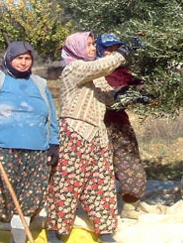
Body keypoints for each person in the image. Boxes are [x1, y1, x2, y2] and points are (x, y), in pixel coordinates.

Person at [0, 41, 59, 243]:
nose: (23, 62)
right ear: (9, 58)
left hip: (36, 155)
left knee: (27, 203)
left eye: (27, 58)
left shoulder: (40, 84)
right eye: (19, 58)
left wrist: (54, 144)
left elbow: (51, 116)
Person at [46, 31, 130, 243]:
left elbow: (108, 99)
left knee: (102, 184)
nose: (93, 48)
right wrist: (123, 53)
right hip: (75, 133)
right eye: (89, 45)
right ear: (77, 48)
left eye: (94, 44)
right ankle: (56, 231)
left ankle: (105, 232)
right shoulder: (73, 69)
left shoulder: (95, 75)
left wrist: (126, 95)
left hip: (98, 137)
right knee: (66, 184)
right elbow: (100, 66)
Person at [95, 33, 151, 219]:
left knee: (131, 166)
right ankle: (101, 212)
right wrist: (127, 94)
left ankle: (129, 205)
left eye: (115, 49)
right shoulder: (92, 70)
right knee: (99, 170)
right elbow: (111, 96)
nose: (112, 53)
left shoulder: (124, 72)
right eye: (108, 49)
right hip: (96, 127)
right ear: (100, 50)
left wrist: (146, 94)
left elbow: (143, 87)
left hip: (120, 126)